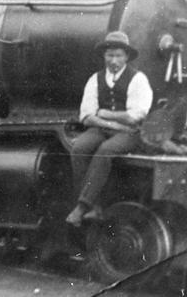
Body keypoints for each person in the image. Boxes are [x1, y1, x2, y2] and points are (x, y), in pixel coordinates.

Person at [65, 31, 153, 226]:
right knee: (79, 147)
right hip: (103, 129)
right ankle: (94, 206)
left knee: (106, 150)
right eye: (110, 55)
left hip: (131, 134)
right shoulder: (95, 79)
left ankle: (82, 207)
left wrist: (106, 114)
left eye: (119, 55)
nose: (114, 60)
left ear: (126, 57)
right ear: (104, 56)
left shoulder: (138, 79)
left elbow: (136, 116)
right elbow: (87, 116)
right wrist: (110, 123)